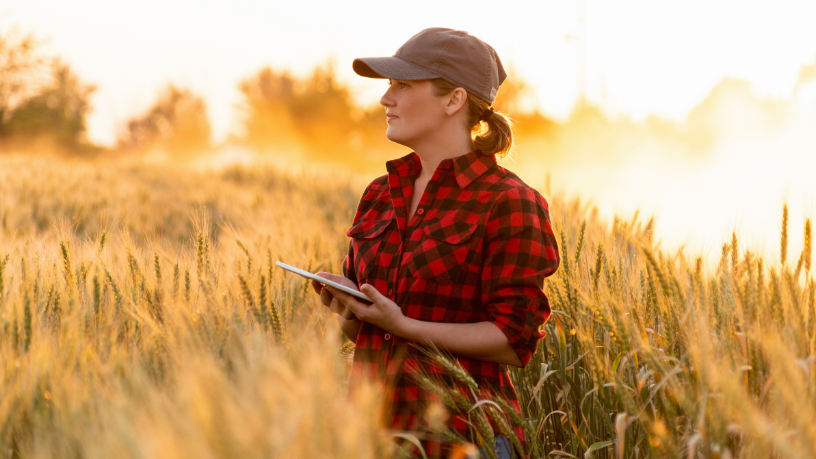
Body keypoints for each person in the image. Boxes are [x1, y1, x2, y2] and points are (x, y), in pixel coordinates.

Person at [311, 28, 560, 459]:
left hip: (465, 440)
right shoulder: (378, 194)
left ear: (454, 100)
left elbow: (513, 341)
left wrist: (404, 327)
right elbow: (367, 332)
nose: (385, 98)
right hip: (373, 436)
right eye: (389, 85)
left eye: (403, 85)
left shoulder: (509, 202)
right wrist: (347, 309)